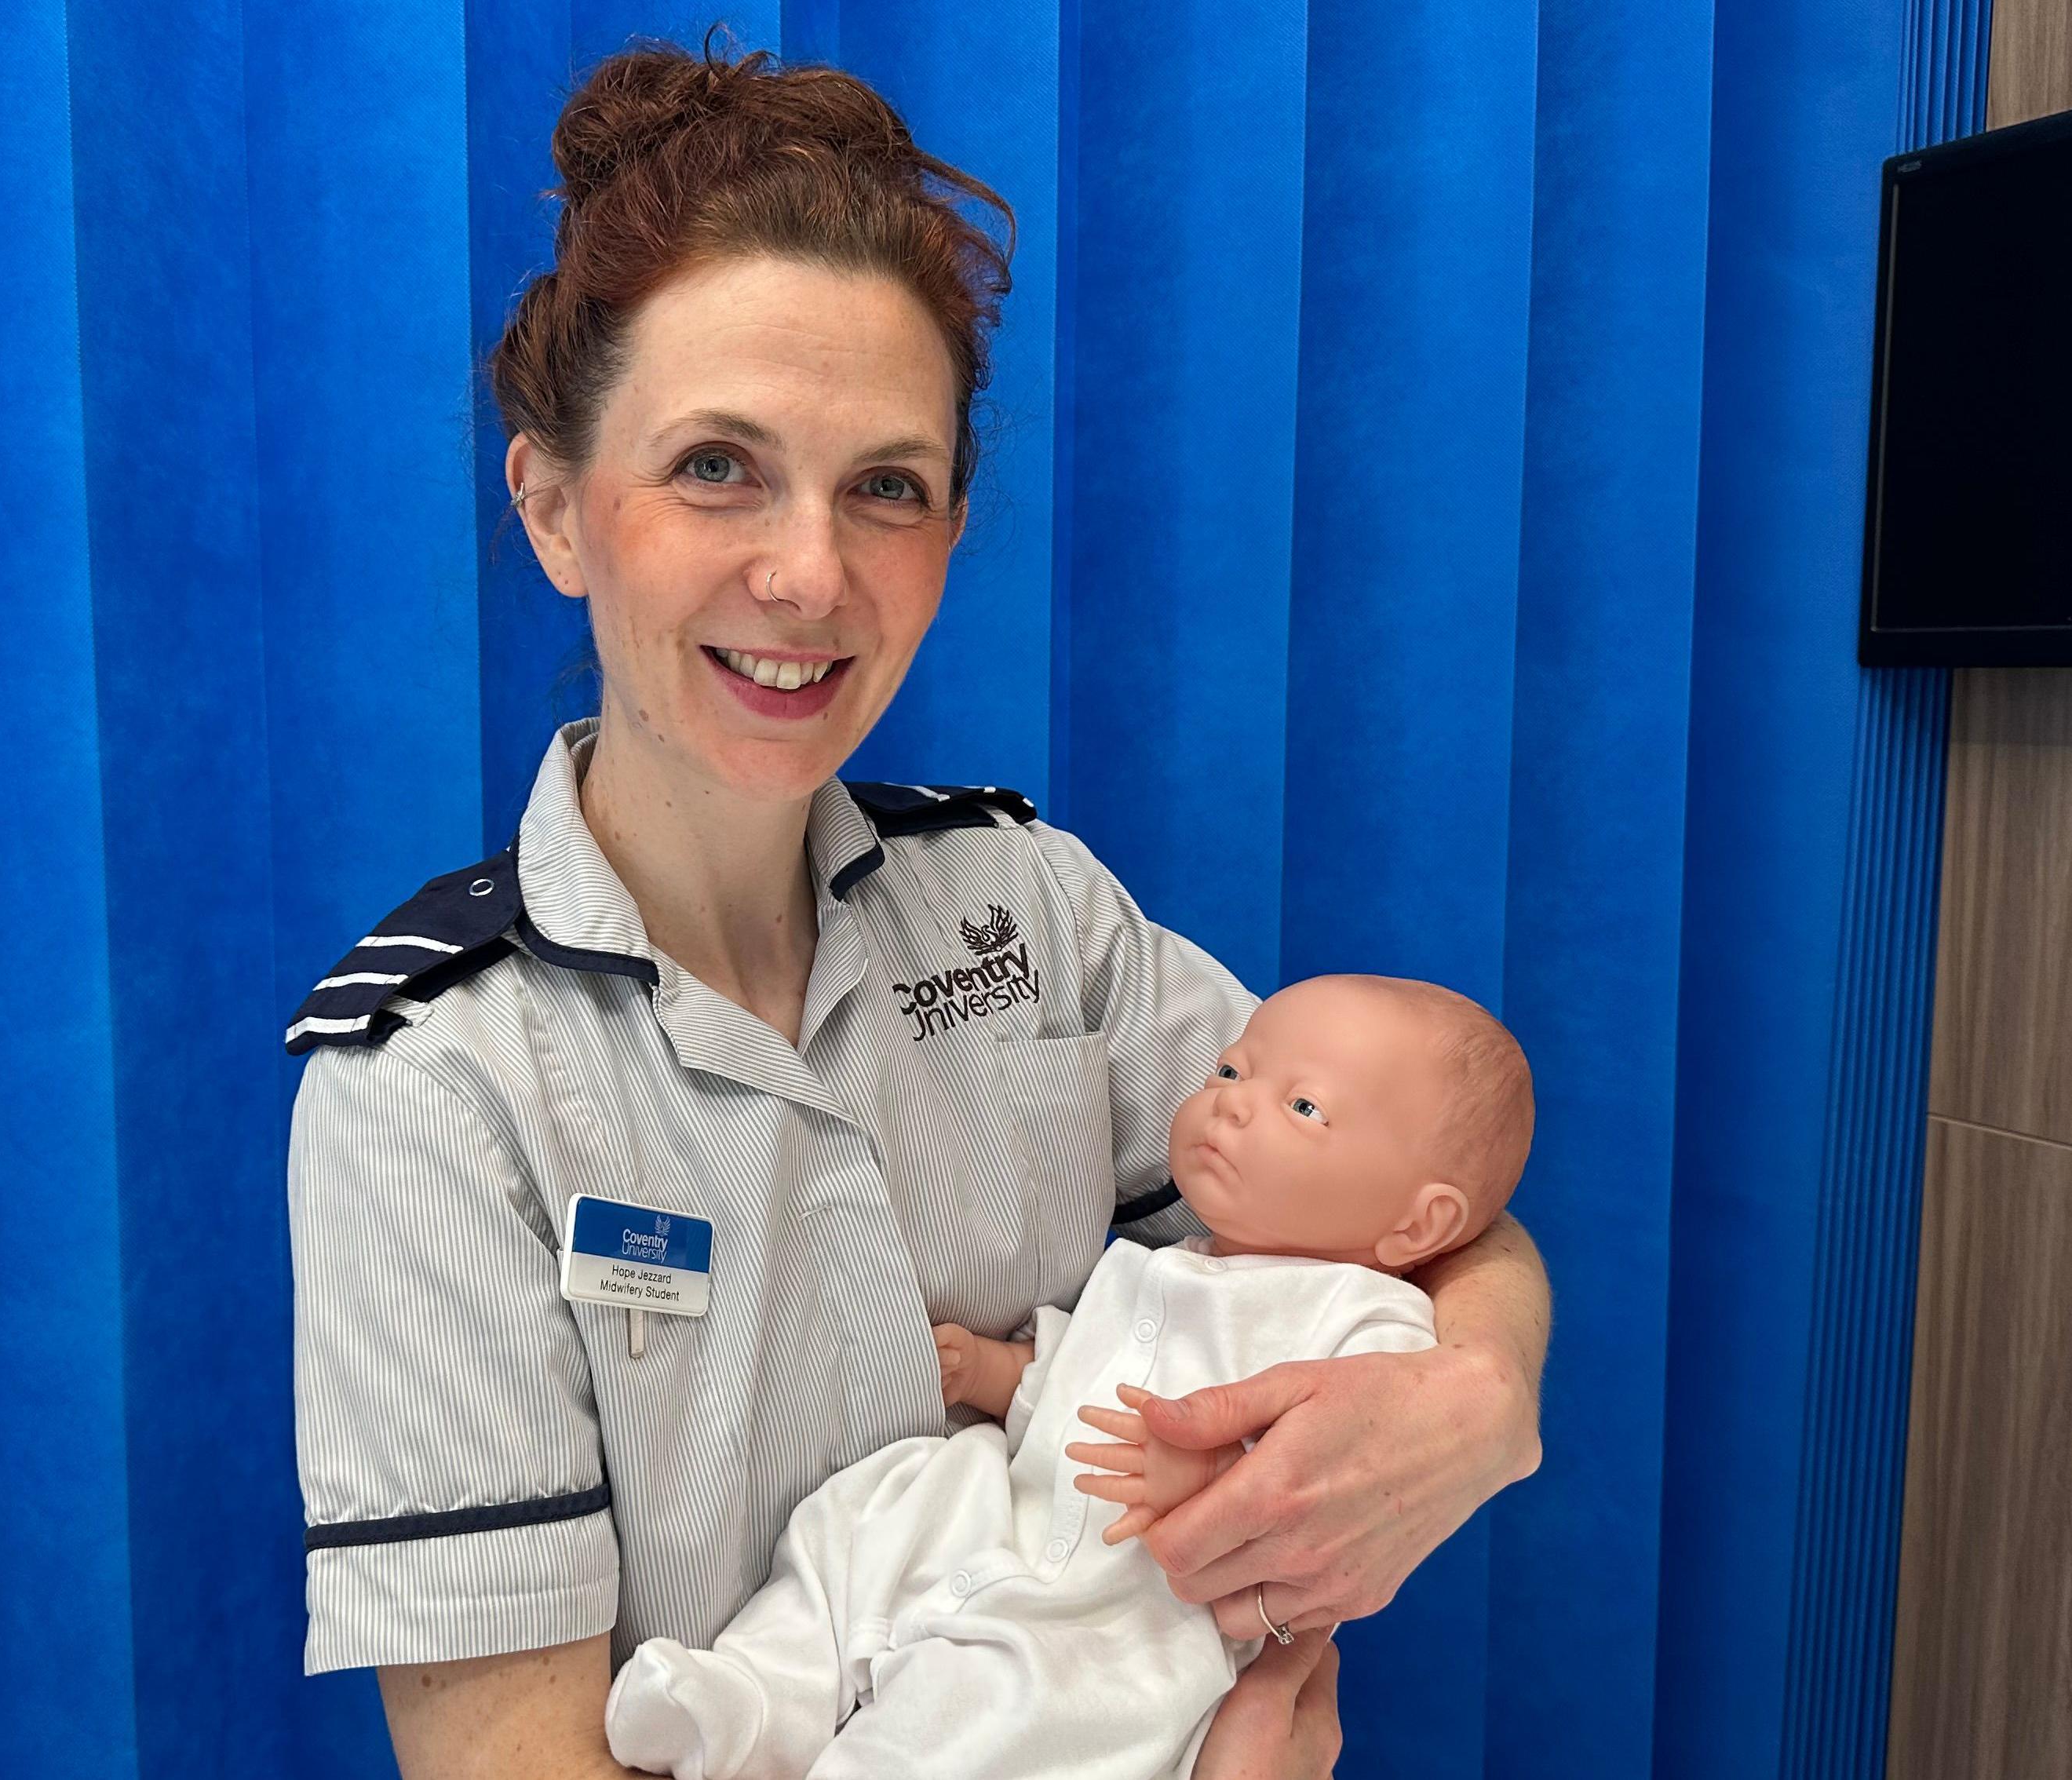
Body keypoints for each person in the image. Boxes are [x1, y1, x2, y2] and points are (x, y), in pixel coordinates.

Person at [284, 45, 1552, 1780]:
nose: (809, 573)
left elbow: (1429, 1199)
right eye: (718, 466)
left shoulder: (1028, 912)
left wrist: (1476, 1401)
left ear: (952, 530)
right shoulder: (437, 1084)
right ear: (557, 509)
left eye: (885, 484)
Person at [598, 976, 1532, 1780]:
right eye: (1231, 1070)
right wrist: (1000, 1372)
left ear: (1417, 1228)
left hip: (1143, 1599)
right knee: (878, 1503)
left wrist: (1210, 1483)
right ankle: (759, 1696)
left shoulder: (1371, 1322)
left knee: (1018, 1707)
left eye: (1304, 1109)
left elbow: (1331, 1473)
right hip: (1012, 1513)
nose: (1235, 1103)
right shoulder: (1166, 1262)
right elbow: (1081, 1372)